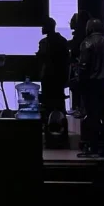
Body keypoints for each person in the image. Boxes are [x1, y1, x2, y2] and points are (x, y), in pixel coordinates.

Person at [77, 17, 104, 156]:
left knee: (92, 115)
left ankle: (93, 147)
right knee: (103, 114)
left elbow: (84, 65)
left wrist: (80, 79)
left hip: (90, 83)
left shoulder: (87, 43)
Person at [37, 17, 70, 147]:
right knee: (57, 108)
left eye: (43, 26)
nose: (42, 28)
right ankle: (60, 139)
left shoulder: (45, 43)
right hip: (56, 79)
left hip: (50, 79)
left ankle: (52, 140)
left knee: (50, 108)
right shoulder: (61, 41)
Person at [68, 11, 90, 114]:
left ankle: (80, 108)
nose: (70, 23)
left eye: (73, 21)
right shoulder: (81, 35)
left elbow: (75, 47)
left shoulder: (81, 37)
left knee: (79, 88)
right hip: (77, 66)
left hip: (79, 67)